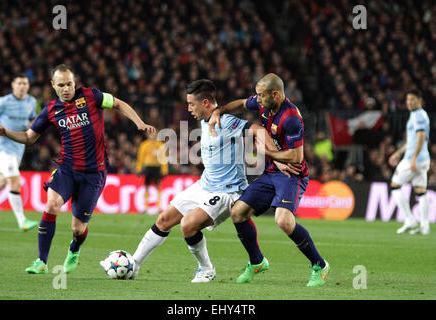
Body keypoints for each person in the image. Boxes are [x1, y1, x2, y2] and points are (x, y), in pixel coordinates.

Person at [125, 79, 297, 283]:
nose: (188, 109)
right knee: (164, 220)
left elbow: (258, 129)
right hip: (205, 184)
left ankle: (206, 269)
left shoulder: (225, 121)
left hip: (227, 191)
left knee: (188, 226)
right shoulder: (207, 118)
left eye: (191, 104)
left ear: (205, 102)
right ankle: (133, 265)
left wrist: (277, 157)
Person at [0, 64, 156, 274]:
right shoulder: (51, 109)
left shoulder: (91, 96)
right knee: (51, 205)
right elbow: (29, 137)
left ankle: (74, 249)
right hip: (67, 169)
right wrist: (6, 132)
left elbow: (118, 103)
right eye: (61, 85)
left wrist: (139, 122)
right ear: (53, 85)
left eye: (69, 83)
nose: (66, 88)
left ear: (74, 82)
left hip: (94, 173)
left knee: (77, 228)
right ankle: (41, 261)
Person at [209, 73, 330, 287]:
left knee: (283, 220)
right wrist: (220, 110)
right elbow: (241, 104)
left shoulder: (291, 118)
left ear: (275, 94)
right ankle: (256, 262)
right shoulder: (264, 102)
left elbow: (296, 157)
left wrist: (267, 152)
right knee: (238, 212)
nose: (258, 99)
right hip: (272, 171)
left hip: (291, 174)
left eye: (261, 96)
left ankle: (319, 264)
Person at [0, 74, 39, 232]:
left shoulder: (31, 102)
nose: (22, 86)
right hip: (4, 147)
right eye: (19, 83)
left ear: (28, 86)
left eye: (25, 83)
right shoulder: (3, 102)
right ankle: (22, 220)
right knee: (15, 181)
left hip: (19, 147)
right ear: (13, 85)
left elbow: (30, 121)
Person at [389, 89, 431, 235]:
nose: (409, 102)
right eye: (407, 100)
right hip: (423, 159)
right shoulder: (417, 114)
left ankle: (409, 219)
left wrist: (413, 158)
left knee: (395, 185)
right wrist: (397, 153)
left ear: (419, 100)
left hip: (414, 159)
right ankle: (425, 226)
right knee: (420, 191)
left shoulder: (419, 115)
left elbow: (420, 137)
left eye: (412, 99)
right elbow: (412, 140)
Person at [135, 131, 168, 213]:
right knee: (146, 186)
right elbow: (140, 158)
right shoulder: (144, 145)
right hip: (148, 167)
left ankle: (159, 207)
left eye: (154, 133)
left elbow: (163, 158)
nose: (152, 135)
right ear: (147, 135)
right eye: (150, 133)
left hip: (157, 167)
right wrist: (138, 169)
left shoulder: (160, 145)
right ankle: (145, 207)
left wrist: (164, 169)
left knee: (158, 186)